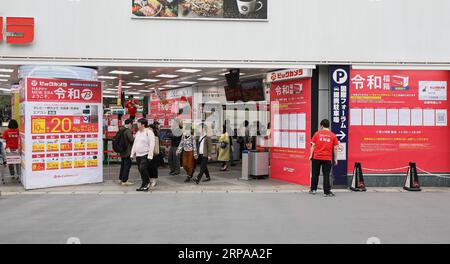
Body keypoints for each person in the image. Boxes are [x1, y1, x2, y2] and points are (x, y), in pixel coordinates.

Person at [308, 119, 339, 197]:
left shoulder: (317, 134)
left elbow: (313, 146)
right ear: (328, 125)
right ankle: (327, 192)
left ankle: (313, 189)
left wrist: (311, 155)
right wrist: (335, 158)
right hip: (327, 158)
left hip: (316, 157)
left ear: (321, 125)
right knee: (326, 175)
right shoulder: (333, 135)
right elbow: (335, 148)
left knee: (315, 174)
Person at [131, 118, 156, 192]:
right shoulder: (138, 132)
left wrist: (150, 155)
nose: (137, 125)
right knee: (140, 170)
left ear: (143, 124)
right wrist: (132, 154)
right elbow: (135, 144)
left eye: (138, 123)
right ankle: (143, 184)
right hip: (138, 155)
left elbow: (152, 144)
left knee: (143, 168)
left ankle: (147, 183)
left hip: (145, 154)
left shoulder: (149, 132)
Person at [118, 119, 135, 186]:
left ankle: (120, 179)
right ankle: (124, 181)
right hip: (127, 151)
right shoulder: (127, 131)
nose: (132, 126)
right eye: (132, 124)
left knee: (123, 165)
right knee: (127, 166)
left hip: (122, 151)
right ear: (130, 124)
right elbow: (131, 140)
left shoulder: (121, 129)